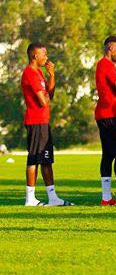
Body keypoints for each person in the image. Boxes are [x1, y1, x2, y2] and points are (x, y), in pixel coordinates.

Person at [21, 43, 72, 206]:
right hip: (35, 121)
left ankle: (53, 197)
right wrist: (46, 95)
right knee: (34, 159)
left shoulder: (39, 73)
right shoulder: (30, 73)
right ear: (34, 55)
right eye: (44, 54)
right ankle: (30, 198)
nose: (47, 57)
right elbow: (43, 101)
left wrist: (51, 75)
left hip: (43, 121)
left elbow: (49, 94)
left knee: (46, 160)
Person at [95, 36, 116, 206]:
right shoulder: (106, 64)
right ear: (110, 48)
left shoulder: (105, 64)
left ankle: (106, 197)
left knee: (108, 155)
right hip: (110, 115)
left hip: (106, 114)